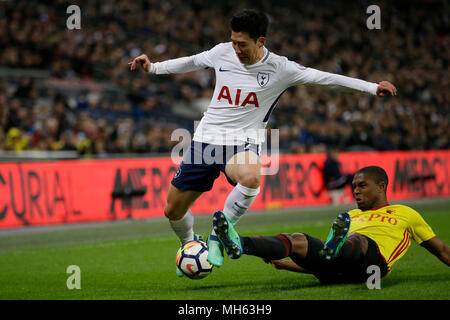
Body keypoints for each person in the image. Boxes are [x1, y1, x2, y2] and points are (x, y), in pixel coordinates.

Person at [128, 9, 397, 276]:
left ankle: (216, 238)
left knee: (251, 176)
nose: (236, 49)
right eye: (233, 42)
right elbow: (192, 61)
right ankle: (188, 244)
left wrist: (371, 87)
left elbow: (325, 79)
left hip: (242, 142)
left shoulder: (281, 68)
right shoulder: (222, 52)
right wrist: (153, 68)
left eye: (242, 44)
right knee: (172, 210)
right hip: (206, 139)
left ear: (261, 41)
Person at [213, 166, 450, 284]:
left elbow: (440, 249)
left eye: (362, 186)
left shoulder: (405, 213)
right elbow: (321, 263)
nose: (355, 191)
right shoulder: (350, 216)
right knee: (298, 239)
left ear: (381, 186)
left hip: (372, 272)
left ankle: (337, 246)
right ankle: (239, 244)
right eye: (354, 187)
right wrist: (286, 265)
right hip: (337, 271)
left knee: (358, 241)